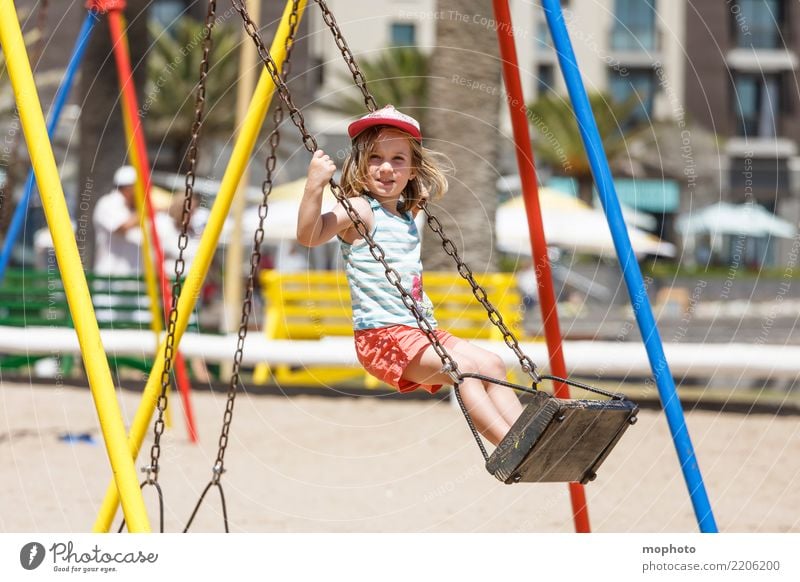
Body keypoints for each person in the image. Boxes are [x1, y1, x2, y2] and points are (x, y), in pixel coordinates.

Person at [297, 105, 523, 446]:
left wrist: (414, 202)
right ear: (359, 165)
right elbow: (309, 235)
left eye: (398, 159)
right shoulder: (359, 209)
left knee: (491, 363)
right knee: (465, 370)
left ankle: (530, 438)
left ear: (412, 168)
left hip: (420, 331)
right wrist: (314, 186)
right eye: (375, 157)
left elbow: (399, 225)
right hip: (383, 337)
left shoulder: (403, 215)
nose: (386, 167)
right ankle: (511, 446)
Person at [93, 165, 143, 276]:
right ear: (128, 188)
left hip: (135, 280)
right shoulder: (107, 203)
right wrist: (147, 212)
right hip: (111, 280)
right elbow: (121, 228)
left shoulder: (136, 208)